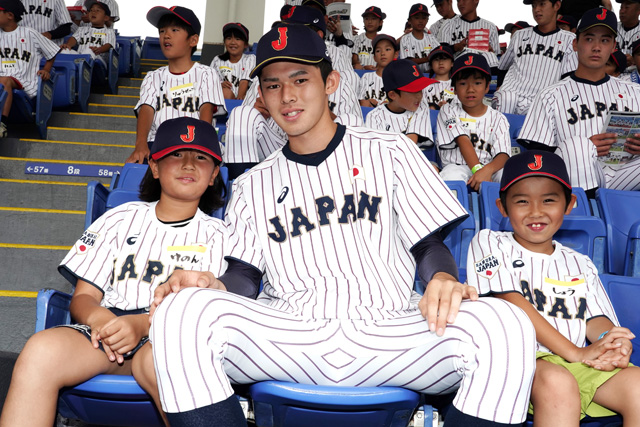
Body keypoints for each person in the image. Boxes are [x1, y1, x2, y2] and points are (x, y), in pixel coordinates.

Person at [149, 23, 536, 427]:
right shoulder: (250, 183)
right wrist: (215, 286)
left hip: (388, 330)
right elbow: (246, 275)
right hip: (291, 332)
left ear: (331, 81)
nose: (289, 95)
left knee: (506, 327)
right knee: (181, 312)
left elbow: (428, 245)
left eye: (301, 79)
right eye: (273, 85)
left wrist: (441, 277)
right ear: (261, 96)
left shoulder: (392, 150)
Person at [0, 117, 229, 427]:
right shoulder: (120, 218)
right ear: (155, 166)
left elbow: (214, 310)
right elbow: (83, 297)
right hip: (108, 336)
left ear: (214, 173)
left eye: (201, 157)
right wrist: (101, 320)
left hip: (173, 341)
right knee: (41, 351)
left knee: (164, 365)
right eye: (176, 154)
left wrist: (143, 325)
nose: (188, 164)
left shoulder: (222, 235)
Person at [467, 150, 640, 426]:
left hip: (577, 361)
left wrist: (610, 341)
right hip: (519, 360)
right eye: (522, 201)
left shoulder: (580, 262)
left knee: (638, 387)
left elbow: (594, 319)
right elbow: (512, 302)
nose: (536, 211)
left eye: (549, 200)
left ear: (569, 204)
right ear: (502, 207)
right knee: (558, 384)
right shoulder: (489, 242)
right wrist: (575, 352)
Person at [518, 7, 640, 195]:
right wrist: (587, 147)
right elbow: (537, 156)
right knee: (577, 145)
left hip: (624, 174)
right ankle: (588, 215)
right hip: (573, 176)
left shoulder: (634, 91)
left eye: (605, 40)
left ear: (614, 46)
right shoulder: (550, 95)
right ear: (575, 44)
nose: (597, 47)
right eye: (589, 39)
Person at [125, 6, 226, 164]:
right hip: (158, 144)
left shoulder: (207, 73)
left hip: (194, 142)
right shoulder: (153, 77)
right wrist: (140, 144)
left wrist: (200, 146)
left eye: (174, 30)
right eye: (162, 31)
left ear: (193, 40)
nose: (166, 35)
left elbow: (206, 111)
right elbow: (147, 109)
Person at [436, 53, 510, 190]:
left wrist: (486, 171)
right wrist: (477, 171)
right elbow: (462, 140)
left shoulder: (498, 118)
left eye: (477, 83)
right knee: (450, 177)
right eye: (463, 83)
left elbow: (503, 155)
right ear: (455, 89)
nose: (470, 89)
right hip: (458, 166)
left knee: (507, 175)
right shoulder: (448, 110)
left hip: (489, 168)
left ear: (487, 87)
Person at [493, 0, 577, 116]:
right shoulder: (519, 35)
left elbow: (568, 77)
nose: (537, 9)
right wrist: (499, 85)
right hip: (511, 94)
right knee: (505, 98)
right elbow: (502, 67)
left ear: (556, 5)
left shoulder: (569, 39)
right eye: (534, 5)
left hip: (542, 99)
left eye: (542, 4)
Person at [0, 0, 58, 138]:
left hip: (24, 81)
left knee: (5, 81)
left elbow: (52, 52)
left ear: (9, 15)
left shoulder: (30, 33)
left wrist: (46, 70)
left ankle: (2, 124)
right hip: (3, 77)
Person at [364, 58, 434, 148]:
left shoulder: (421, 105)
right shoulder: (374, 117)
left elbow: (411, 141)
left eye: (420, 90)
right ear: (392, 95)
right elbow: (376, 152)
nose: (419, 96)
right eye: (413, 91)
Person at [437, 0, 501, 71]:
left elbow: (497, 57)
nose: (460, 4)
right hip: (458, 69)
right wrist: (455, 47)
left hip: (483, 70)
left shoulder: (490, 26)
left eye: (464, 0)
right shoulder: (448, 24)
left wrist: (492, 52)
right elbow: (440, 52)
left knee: (490, 56)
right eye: (458, 1)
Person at [59, 0, 115, 67]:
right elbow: (73, 38)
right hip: (80, 57)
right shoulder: (82, 29)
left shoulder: (109, 31)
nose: (93, 12)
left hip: (98, 62)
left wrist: (99, 49)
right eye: (91, 10)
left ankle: (81, 73)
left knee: (88, 51)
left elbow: (108, 45)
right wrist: (68, 45)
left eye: (97, 10)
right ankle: (70, 72)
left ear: (106, 18)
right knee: (65, 50)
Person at [211, 22, 255, 100]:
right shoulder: (217, 60)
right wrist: (219, 85)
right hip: (222, 100)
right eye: (229, 38)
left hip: (243, 101)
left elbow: (244, 81)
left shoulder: (250, 58)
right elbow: (210, 82)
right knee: (225, 92)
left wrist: (239, 99)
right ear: (224, 42)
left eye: (237, 39)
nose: (233, 42)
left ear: (245, 44)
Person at [399, 3, 440, 73]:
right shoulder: (405, 39)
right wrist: (428, 58)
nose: (420, 21)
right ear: (409, 21)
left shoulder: (431, 38)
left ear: (427, 20)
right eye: (417, 18)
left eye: (424, 18)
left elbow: (439, 55)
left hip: (431, 75)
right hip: (413, 76)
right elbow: (408, 62)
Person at [358, 34, 398, 107]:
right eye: (378, 51)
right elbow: (360, 101)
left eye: (387, 49)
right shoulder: (367, 77)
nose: (383, 53)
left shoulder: (399, 79)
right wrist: (368, 101)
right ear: (374, 57)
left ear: (396, 54)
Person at [422, 43, 455, 110]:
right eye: (436, 60)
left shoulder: (458, 85)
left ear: (452, 63)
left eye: (444, 59)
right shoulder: (424, 85)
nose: (440, 63)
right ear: (431, 65)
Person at [615, 0, 640, 67]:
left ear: (638, 11)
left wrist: (635, 60)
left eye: (627, 7)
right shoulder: (612, 28)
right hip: (613, 73)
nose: (622, 11)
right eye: (621, 7)